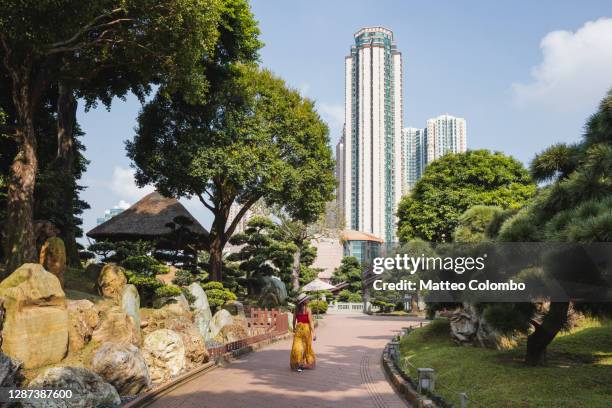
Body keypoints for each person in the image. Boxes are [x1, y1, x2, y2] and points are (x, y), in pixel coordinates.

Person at [290, 293, 316, 372]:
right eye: (307, 299)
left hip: (298, 329)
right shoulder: (308, 309)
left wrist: (294, 328)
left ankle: (299, 364)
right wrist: (314, 333)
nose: (308, 300)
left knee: (297, 347)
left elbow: (294, 320)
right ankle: (303, 363)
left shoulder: (296, 309)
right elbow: (311, 322)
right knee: (306, 347)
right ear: (304, 301)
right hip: (306, 330)